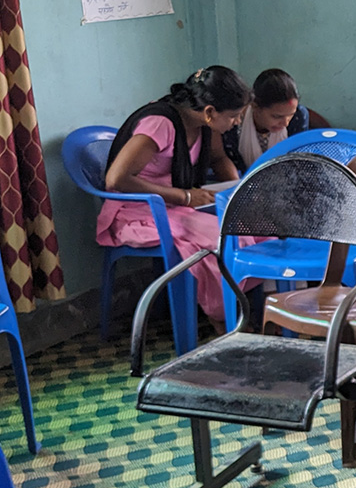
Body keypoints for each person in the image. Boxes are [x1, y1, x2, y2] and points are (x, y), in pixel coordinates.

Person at [98, 65, 252, 324]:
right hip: (137, 210)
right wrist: (183, 197)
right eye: (235, 116)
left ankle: (243, 310)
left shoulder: (205, 123)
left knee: (251, 230)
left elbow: (217, 157)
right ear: (210, 112)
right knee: (220, 240)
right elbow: (116, 179)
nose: (237, 122)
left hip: (177, 206)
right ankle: (222, 319)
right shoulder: (160, 124)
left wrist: (237, 191)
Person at [222, 68, 315, 173]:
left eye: (290, 115)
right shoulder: (235, 122)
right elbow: (230, 164)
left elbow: (298, 161)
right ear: (255, 106)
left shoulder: (299, 116)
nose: (285, 123)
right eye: (277, 116)